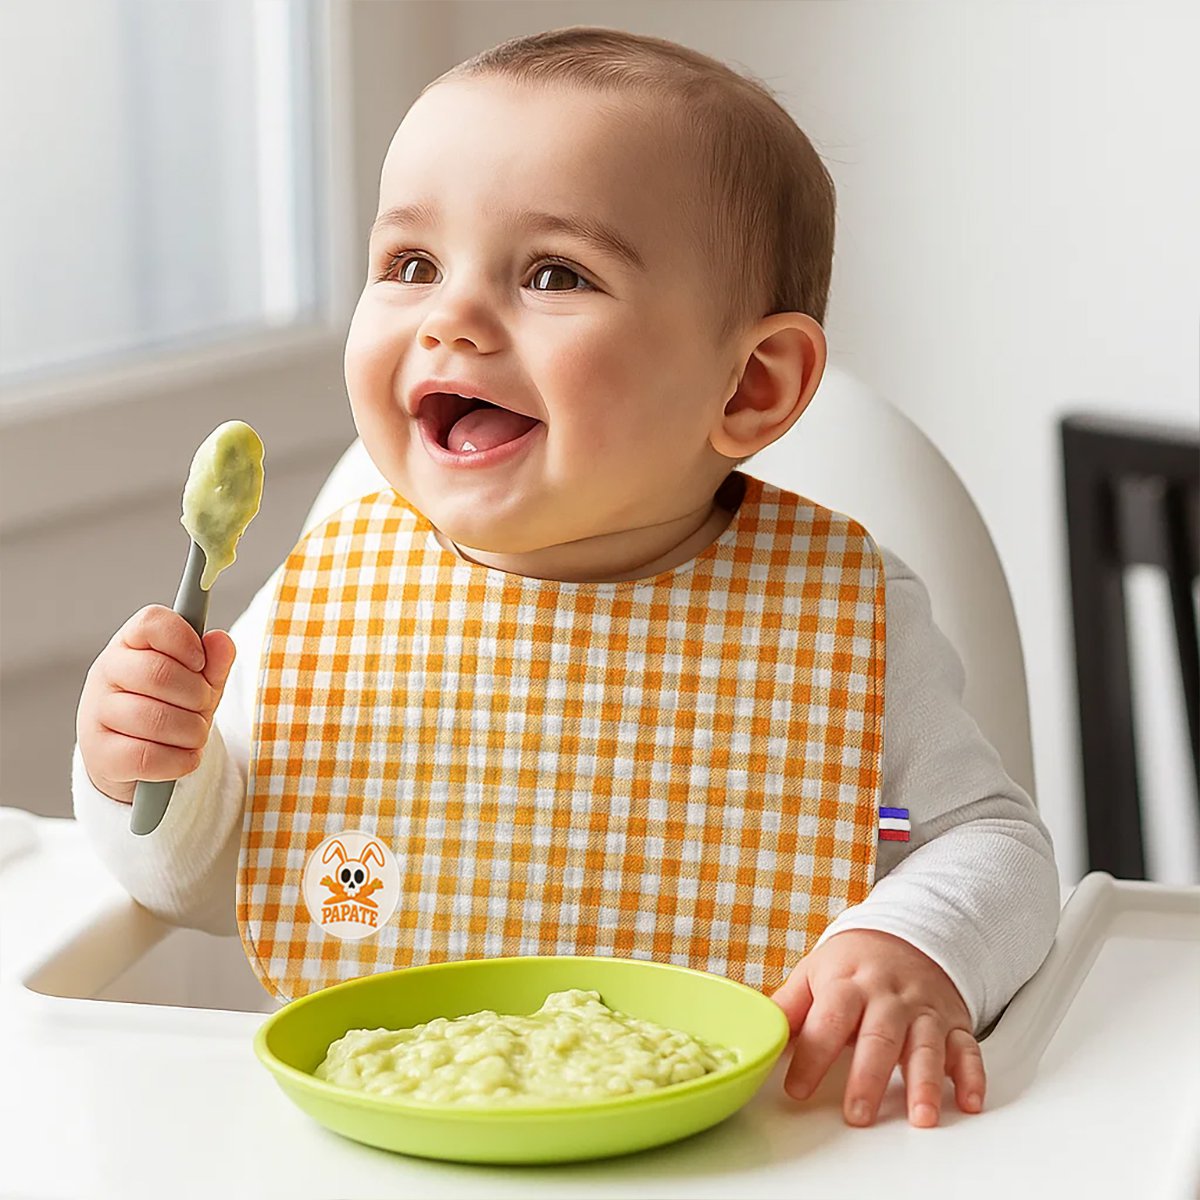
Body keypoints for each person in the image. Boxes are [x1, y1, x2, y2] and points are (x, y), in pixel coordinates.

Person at [72, 26, 1059, 1130]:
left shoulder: (841, 613)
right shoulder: (342, 588)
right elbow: (193, 883)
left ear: (751, 386)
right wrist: (144, 771)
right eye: (410, 265)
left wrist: (912, 941)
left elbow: (999, 851)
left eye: (553, 273)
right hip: (383, 1138)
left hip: (756, 1145)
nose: (449, 315)